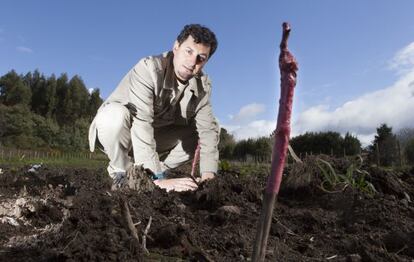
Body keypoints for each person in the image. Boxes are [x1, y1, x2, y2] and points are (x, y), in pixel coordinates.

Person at [88, 24, 220, 192]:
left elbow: (207, 132)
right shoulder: (149, 69)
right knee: (113, 115)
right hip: (123, 133)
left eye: (201, 58)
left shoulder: (203, 86)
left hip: (156, 137)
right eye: (189, 51)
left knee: (212, 127)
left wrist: (208, 180)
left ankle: (161, 170)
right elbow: (142, 122)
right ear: (176, 47)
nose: (193, 61)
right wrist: (154, 179)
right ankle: (121, 173)